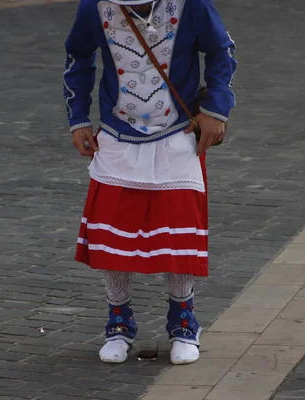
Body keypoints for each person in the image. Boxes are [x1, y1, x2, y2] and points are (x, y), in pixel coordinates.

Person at [63, 0, 237, 364]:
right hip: (117, 132)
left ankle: (184, 321)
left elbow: (221, 51)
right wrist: (78, 118)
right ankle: (119, 322)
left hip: (177, 132)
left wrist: (215, 108)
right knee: (112, 233)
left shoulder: (193, 4)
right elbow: (78, 56)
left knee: (177, 233)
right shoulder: (93, 6)